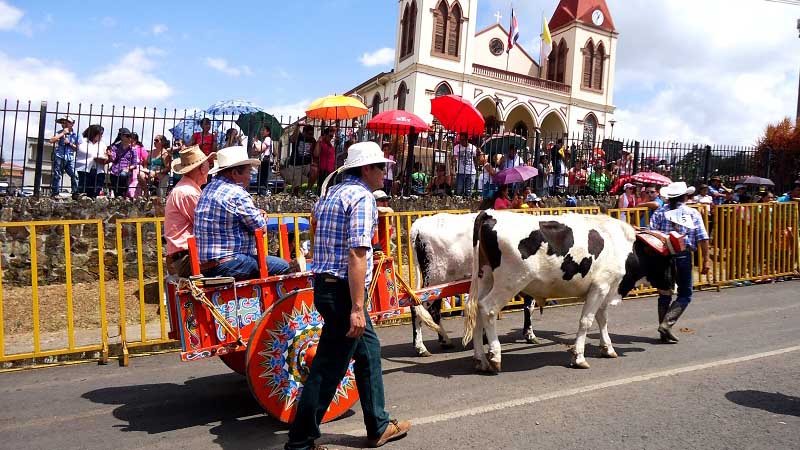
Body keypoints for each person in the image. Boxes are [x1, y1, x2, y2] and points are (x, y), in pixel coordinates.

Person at [287, 141, 410, 450]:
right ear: (366, 169)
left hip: (327, 286)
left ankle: (378, 425)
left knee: (368, 352)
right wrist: (357, 307)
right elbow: (357, 253)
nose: (385, 173)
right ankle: (300, 442)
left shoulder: (330, 195)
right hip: (344, 292)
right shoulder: (362, 198)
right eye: (381, 167)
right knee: (328, 368)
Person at [194, 146, 291, 279]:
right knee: (283, 266)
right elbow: (259, 227)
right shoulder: (237, 193)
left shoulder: (207, 190)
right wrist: (262, 216)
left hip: (206, 266)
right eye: (248, 173)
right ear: (235, 173)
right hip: (229, 263)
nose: (250, 177)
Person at [649, 181, 710, 344]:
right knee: (685, 293)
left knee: (664, 293)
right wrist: (706, 259)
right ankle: (667, 324)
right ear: (685, 196)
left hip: (663, 256)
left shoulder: (659, 212)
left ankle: (664, 329)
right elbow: (703, 238)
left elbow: (651, 234)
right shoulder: (692, 213)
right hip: (683, 256)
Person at [164, 146, 215, 277]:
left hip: (183, 256)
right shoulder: (189, 193)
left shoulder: (185, 189)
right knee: (236, 262)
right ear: (202, 169)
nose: (210, 168)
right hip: (187, 258)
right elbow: (208, 225)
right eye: (208, 165)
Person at [49, 115, 82, 198]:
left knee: (74, 175)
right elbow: (51, 140)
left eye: (67, 122)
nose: (64, 124)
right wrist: (63, 133)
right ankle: (55, 193)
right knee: (57, 175)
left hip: (70, 158)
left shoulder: (76, 135)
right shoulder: (59, 132)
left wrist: (69, 143)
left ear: (72, 124)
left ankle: (75, 192)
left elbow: (77, 148)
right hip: (59, 156)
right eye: (63, 123)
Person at [75, 124, 107, 198]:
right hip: (84, 169)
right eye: (100, 134)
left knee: (96, 191)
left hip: (98, 170)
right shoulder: (82, 141)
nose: (101, 136)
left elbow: (105, 155)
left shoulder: (102, 144)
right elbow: (80, 151)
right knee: (83, 191)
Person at [106, 128, 138, 198]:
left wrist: (127, 168)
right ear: (122, 137)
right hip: (115, 170)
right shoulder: (115, 147)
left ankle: (122, 195)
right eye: (127, 136)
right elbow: (113, 159)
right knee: (114, 182)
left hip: (125, 171)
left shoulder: (133, 150)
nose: (130, 138)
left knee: (123, 176)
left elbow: (134, 164)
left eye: (130, 136)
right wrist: (110, 155)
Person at [286, 124, 315, 192]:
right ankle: (295, 197)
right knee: (296, 186)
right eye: (309, 134)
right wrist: (297, 126)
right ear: (304, 132)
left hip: (307, 164)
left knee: (313, 173)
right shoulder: (298, 136)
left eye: (312, 134)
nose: (310, 136)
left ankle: (308, 190)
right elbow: (292, 139)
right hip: (296, 164)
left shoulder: (312, 139)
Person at [251, 126, 273, 195]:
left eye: (264, 130)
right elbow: (255, 152)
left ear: (268, 132)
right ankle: (261, 192)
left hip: (266, 160)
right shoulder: (265, 140)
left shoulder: (267, 139)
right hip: (264, 160)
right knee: (261, 178)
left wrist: (255, 142)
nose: (262, 132)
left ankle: (263, 193)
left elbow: (260, 149)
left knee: (263, 179)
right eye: (261, 130)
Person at [315, 128, 336, 195]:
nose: (331, 138)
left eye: (332, 137)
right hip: (323, 170)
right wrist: (319, 141)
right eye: (330, 136)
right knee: (322, 190)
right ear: (325, 135)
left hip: (331, 172)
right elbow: (316, 154)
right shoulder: (321, 143)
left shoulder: (331, 146)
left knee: (328, 191)